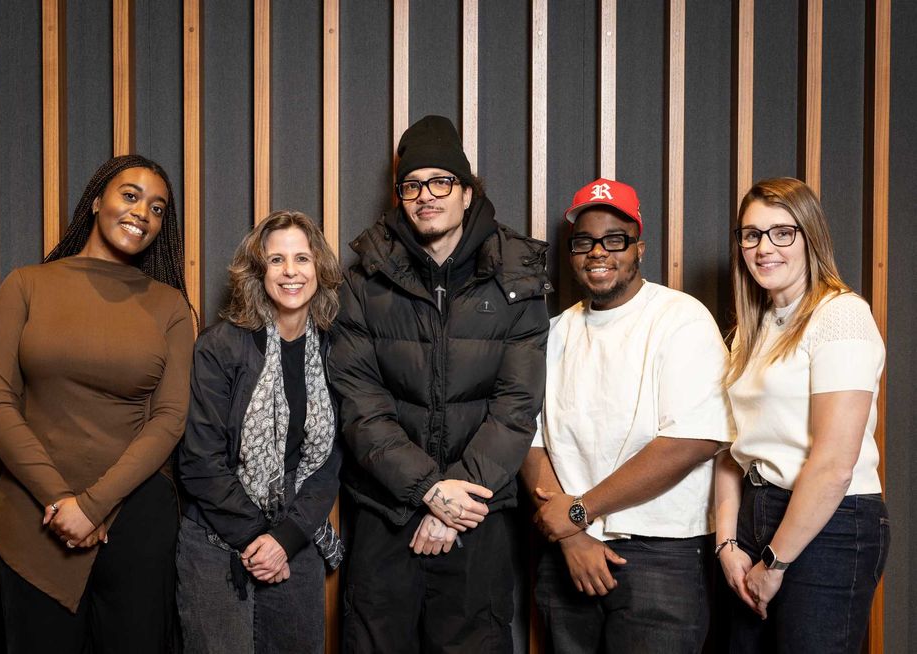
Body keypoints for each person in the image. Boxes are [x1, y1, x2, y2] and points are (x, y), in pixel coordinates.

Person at [328, 114, 551, 652]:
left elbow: (516, 406)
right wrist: (428, 491)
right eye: (412, 185)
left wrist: (456, 505)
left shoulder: (519, 277)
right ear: (400, 195)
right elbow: (360, 406)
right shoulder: (363, 281)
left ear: (467, 193)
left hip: (479, 515)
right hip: (386, 513)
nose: (426, 196)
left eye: (441, 182)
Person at [0, 154, 195, 651]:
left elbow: (169, 419)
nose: (143, 212)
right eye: (131, 195)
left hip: (135, 521)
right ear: (97, 200)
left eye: (158, 208)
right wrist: (59, 501)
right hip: (35, 517)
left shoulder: (170, 306)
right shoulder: (26, 285)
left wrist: (93, 506)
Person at [522, 177, 734, 653]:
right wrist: (572, 536)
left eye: (615, 240)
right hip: (567, 553)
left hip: (661, 554)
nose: (598, 252)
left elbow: (691, 441)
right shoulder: (553, 333)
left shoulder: (680, 319)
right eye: (584, 242)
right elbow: (529, 439)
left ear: (639, 248)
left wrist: (579, 512)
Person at [715, 177, 888, 653]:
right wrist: (727, 544)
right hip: (756, 517)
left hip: (829, 527)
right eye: (751, 234)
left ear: (810, 236)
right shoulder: (752, 330)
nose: (764, 247)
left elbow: (833, 464)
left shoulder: (841, 316)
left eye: (781, 232)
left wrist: (774, 563)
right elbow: (731, 450)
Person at [176, 210, 344, 653]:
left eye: (302, 259)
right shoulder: (220, 345)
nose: (291, 271)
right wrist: (258, 539)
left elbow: (329, 464)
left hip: (294, 537)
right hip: (216, 540)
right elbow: (199, 462)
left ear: (319, 270)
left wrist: (283, 540)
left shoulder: (335, 350)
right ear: (257, 272)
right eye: (276, 260)